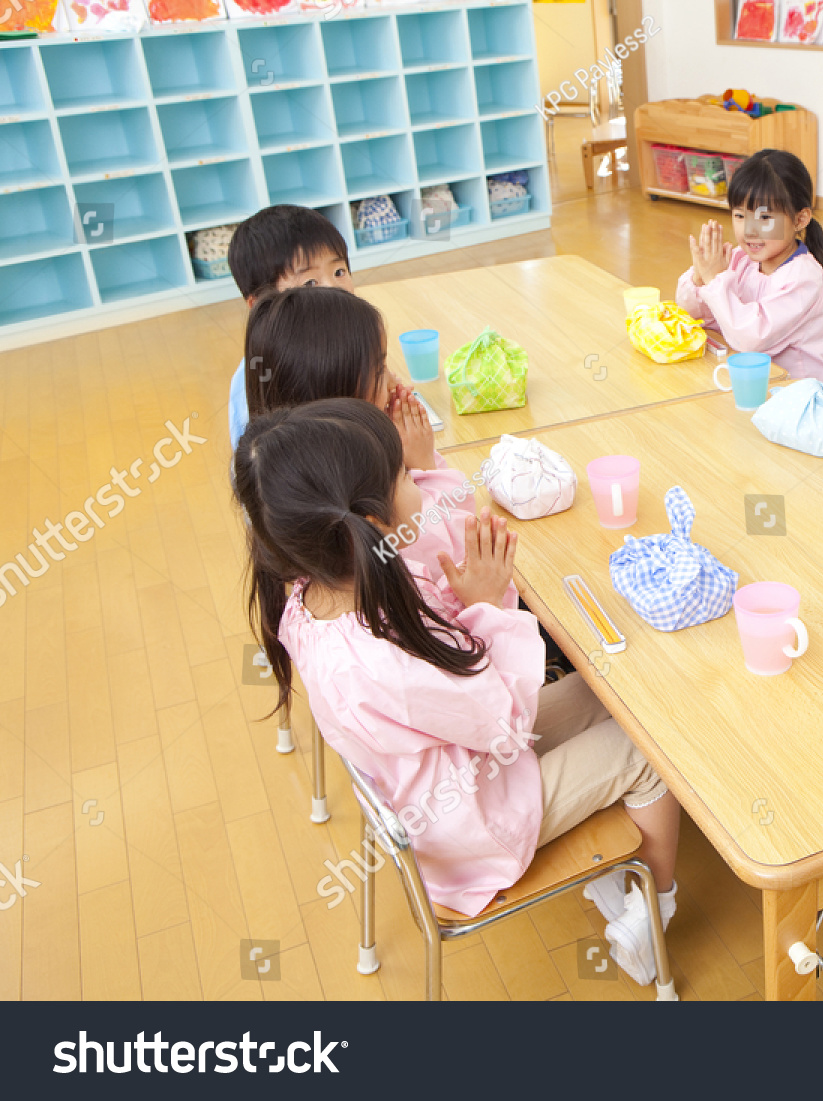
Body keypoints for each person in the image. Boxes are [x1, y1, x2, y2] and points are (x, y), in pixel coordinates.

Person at [236, 399, 680, 983]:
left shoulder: (312, 598)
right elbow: (503, 719)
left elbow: (458, 673)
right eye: (402, 473)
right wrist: (485, 604)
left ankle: (602, 849)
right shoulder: (380, 659)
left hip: (451, 774)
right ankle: (656, 910)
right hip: (474, 821)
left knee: (614, 696)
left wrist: (472, 601)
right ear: (369, 524)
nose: (412, 479)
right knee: (655, 751)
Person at [241, 286, 462, 578]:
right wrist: (425, 467)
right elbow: (456, 548)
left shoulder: (290, 481)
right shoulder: (356, 505)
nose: (398, 383)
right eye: (380, 368)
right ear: (338, 394)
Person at [675, 149, 823, 384]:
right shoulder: (741, 259)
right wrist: (701, 278)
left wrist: (715, 281)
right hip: (755, 384)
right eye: (740, 216)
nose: (749, 230)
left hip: (799, 398)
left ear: (800, 219)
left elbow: (749, 339)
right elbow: (692, 315)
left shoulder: (804, 277)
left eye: (764, 218)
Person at [226, 206, 354, 449]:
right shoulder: (261, 376)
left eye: (339, 272)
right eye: (309, 283)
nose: (334, 289)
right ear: (259, 306)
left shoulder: (345, 341)